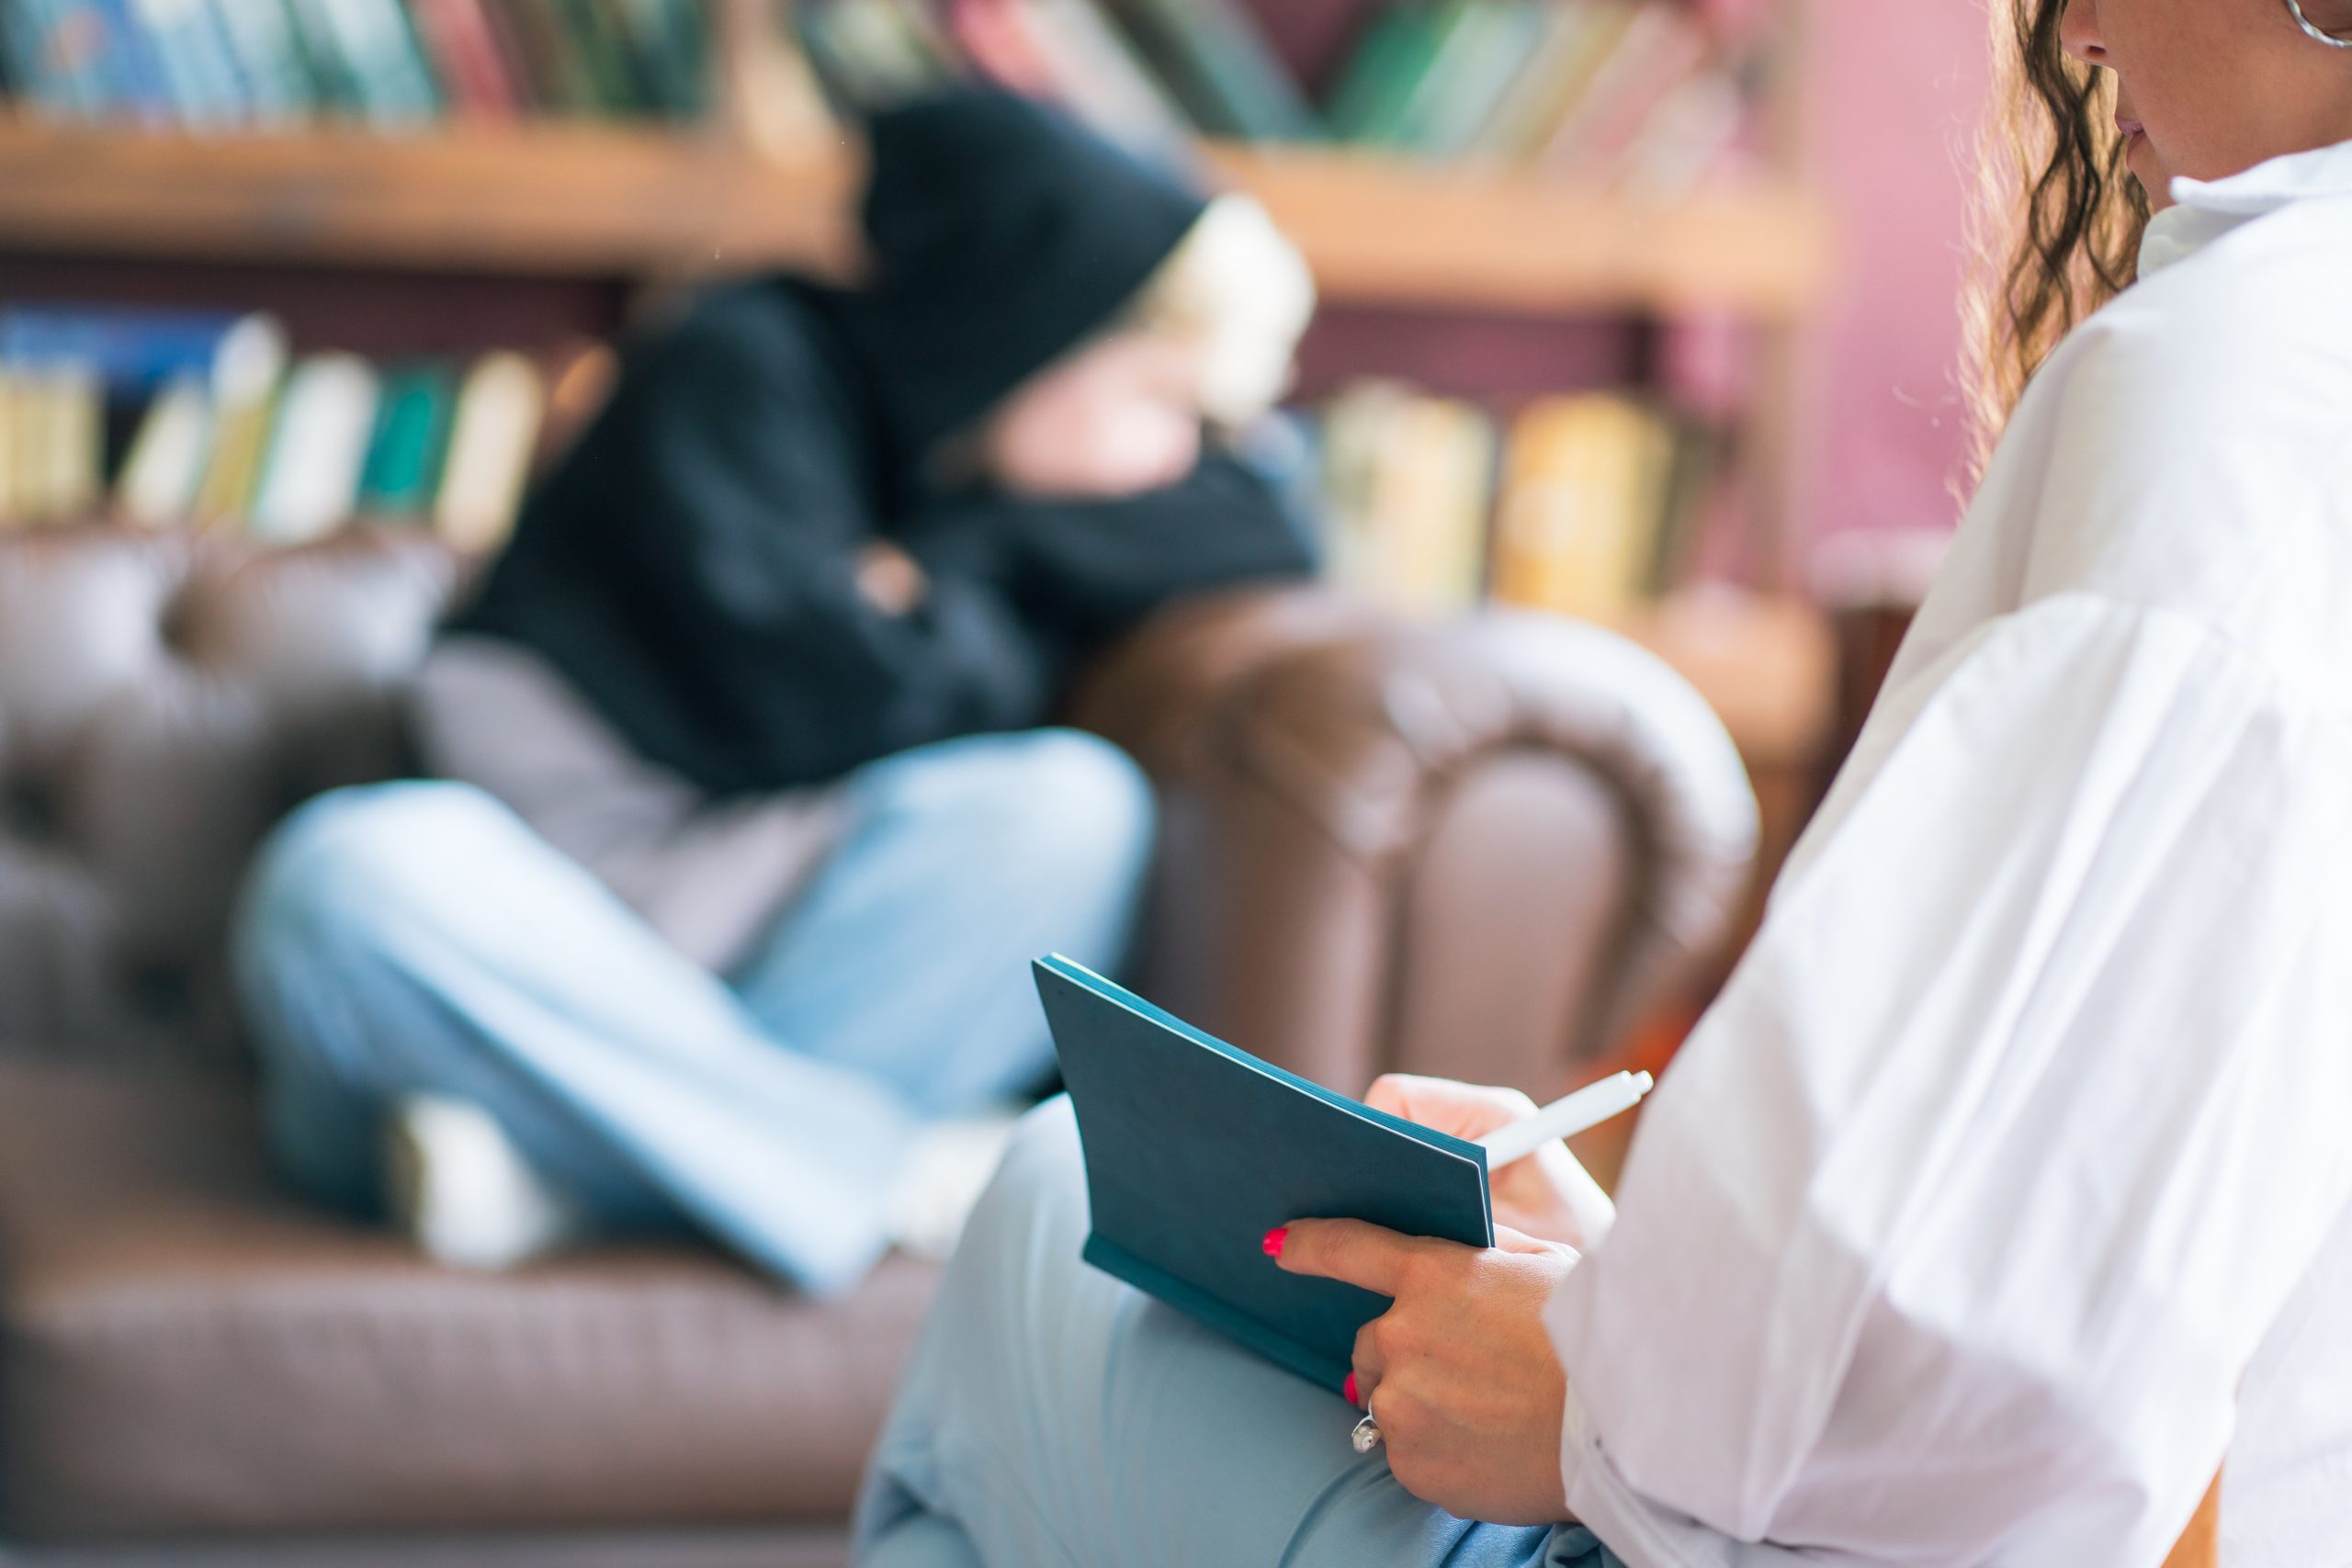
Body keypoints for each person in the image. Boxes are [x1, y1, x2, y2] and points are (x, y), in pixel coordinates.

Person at [854, 1, 2352, 1562]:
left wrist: (1588, 1395)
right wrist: (1643, 1306)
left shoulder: (2235, 390)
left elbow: (2014, 1400)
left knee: (1037, 1217)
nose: (2085, 29)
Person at [230, 89, 1319, 1299]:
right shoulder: (741, 356)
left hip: (762, 969)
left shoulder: (975, 475)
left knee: (1073, 805)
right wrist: (950, 609)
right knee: (345, 873)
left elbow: (1270, 521)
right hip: (538, 934)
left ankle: (577, 1176)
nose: (1177, 455)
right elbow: (830, 695)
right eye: (1158, 399)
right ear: (1029, 333)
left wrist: (963, 558)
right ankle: (875, 1177)